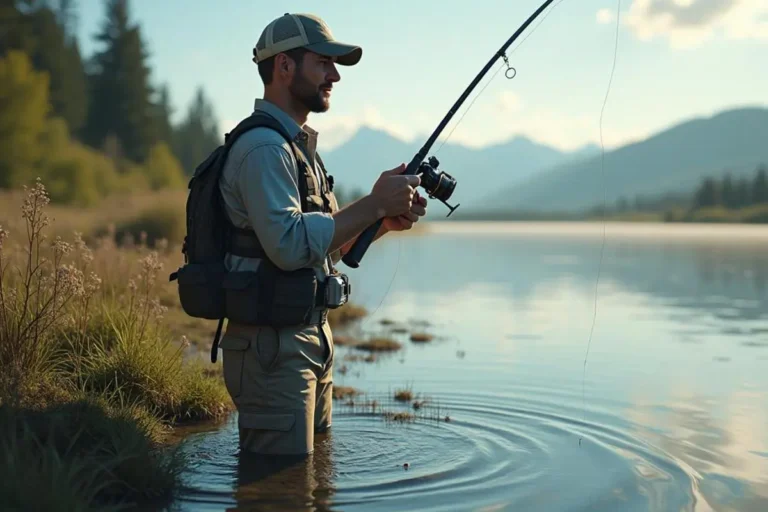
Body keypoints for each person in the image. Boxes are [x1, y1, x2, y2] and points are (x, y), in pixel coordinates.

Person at [216, 12, 428, 456]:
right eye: (323, 63)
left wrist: (380, 221)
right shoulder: (262, 149)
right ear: (284, 67)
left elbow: (324, 249)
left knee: (312, 483)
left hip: (310, 340)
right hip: (272, 350)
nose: (334, 75)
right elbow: (291, 246)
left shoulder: (298, 150)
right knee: (276, 486)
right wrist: (373, 203)